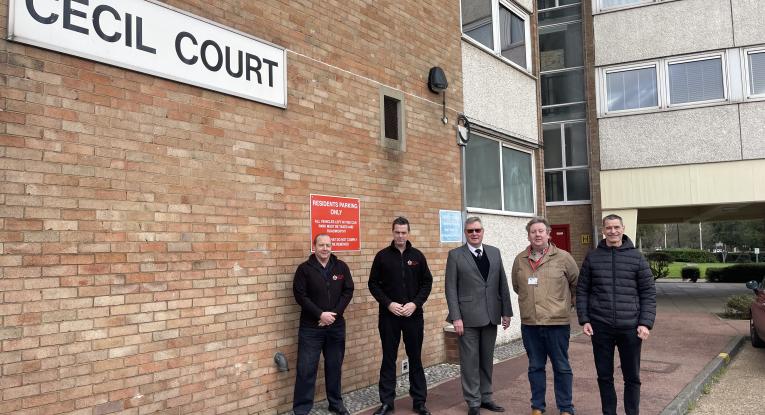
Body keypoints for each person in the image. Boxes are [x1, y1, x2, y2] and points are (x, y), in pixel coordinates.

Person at [577, 214, 657, 415]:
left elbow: (648, 292)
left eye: (616, 227)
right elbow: (582, 290)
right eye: (608, 228)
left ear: (623, 228)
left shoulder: (636, 257)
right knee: (604, 376)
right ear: (603, 230)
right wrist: (585, 319)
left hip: (630, 327)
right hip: (601, 326)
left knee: (632, 377)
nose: (612, 231)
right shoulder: (593, 257)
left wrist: (645, 323)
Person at [445, 217, 513, 415]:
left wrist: (506, 312)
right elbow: (450, 289)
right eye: (470, 231)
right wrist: (456, 317)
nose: (474, 234)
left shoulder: (494, 252)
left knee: (486, 359)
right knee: (469, 361)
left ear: (483, 231)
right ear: (465, 233)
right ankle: (473, 401)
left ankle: (486, 397)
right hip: (467, 319)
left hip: (491, 315)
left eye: (477, 230)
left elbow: (502, 283)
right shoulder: (455, 255)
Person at [511, 217, 579, 415]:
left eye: (541, 231)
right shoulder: (520, 260)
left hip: (557, 323)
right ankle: (537, 406)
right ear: (529, 235)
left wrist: (566, 304)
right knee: (535, 367)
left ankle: (566, 407)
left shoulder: (564, 257)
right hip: (530, 324)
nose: (537, 235)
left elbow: (576, 283)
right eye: (533, 231)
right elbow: (518, 287)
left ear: (548, 234)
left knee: (562, 367)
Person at [368, 217, 433, 415]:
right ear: (392, 232)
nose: (400, 236)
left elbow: (427, 283)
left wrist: (415, 303)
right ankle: (387, 402)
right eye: (397, 232)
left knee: (415, 358)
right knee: (389, 358)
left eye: (404, 232)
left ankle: (419, 401)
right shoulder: (382, 257)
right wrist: (388, 304)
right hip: (389, 316)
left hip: (413, 316)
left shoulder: (418, 256)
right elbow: (373, 284)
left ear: (408, 233)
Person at [292, 234, 354, 415]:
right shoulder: (304, 269)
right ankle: (302, 409)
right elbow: (300, 295)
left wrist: (333, 315)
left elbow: (348, 291)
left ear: (332, 246)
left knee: (334, 366)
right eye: (321, 245)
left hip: (335, 326)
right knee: (306, 368)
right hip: (311, 328)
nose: (325, 248)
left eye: (328, 245)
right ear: (314, 246)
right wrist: (320, 314)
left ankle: (335, 403)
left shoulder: (341, 267)